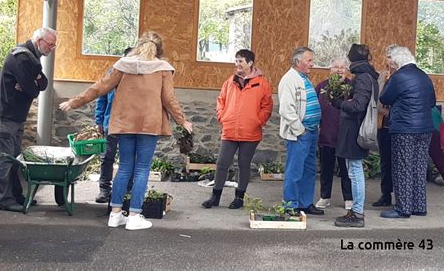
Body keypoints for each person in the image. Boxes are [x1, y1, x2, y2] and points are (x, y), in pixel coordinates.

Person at [60, 31, 192, 230]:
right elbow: (168, 99)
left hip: (124, 124)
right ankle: (134, 216)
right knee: (141, 169)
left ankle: (115, 215)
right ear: (159, 49)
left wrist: (74, 102)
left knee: (124, 167)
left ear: (138, 46)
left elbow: (99, 88)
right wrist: (183, 121)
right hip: (148, 125)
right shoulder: (163, 69)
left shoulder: (122, 65)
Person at [0, 27, 56, 212]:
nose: (52, 48)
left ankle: (18, 196)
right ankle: (5, 200)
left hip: (15, 117)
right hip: (4, 117)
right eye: (50, 44)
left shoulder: (32, 59)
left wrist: (34, 80)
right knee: (4, 160)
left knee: (14, 159)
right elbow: (33, 90)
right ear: (39, 41)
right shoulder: (21, 57)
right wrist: (33, 83)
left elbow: (43, 84)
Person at [201, 49, 273, 209]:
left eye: (240, 61)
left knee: (243, 164)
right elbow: (221, 100)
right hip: (230, 129)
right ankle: (215, 196)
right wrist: (222, 117)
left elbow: (267, 106)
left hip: (250, 131)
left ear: (250, 63)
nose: (237, 64)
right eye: (236, 61)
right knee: (222, 163)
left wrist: (258, 121)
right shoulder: (229, 82)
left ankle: (239, 198)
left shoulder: (262, 84)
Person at [379, 46, 435, 218]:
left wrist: (388, 80)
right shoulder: (424, 76)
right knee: (418, 167)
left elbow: (384, 98)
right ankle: (419, 207)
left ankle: (402, 209)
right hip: (425, 128)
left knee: (403, 167)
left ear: (396, 62)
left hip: (404, 128)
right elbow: (432, 101)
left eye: (392, 63)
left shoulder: (399, 77)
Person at [331, 44, 379, 228]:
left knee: (355, 171)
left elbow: (358, 105)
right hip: (356, 127)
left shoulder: (363, 78)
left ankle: (357, 212)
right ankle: (355, 211)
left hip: (355, 129)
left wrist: (338, 103)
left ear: (352, 60)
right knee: (353, 170)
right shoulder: (368, 76)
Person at [278, 47, 324, 215]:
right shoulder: (289, 79)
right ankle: (290, 205)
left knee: (309, 169)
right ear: (298, 62)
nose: (312, 64)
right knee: (295, 170)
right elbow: (286, 109)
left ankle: (305, 203)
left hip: (311, 132)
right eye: (309, 60)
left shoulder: (303, 78)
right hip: (300, 134)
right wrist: (300, 130)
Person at [94, 47, 133, 203]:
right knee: (107, 157)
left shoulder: (139, 77)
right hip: (110, 122)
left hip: (131, 125)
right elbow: (101, 97)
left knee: (128, 158)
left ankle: (127, 191)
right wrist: (99, 120)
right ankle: (104, 190)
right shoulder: (112, 73)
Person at [314, 58, 353, 211]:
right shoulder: (322, 86)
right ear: (330, 70)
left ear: (346, 70)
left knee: (346, 170)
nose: (339, 70)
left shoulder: (352, 87)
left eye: (342, 67)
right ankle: (325, 197)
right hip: (326, 134)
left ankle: (349, 198)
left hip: (345, 136)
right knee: (326, 169)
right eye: (336, 67)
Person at [372, 44, 398, 207]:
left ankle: (401, 196)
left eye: (393, 57)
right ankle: (385, 194)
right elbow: (378, 96)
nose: (390, 60)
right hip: (383, 124)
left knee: (399, 162)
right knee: (385, 161)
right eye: (388, 57)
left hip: (398, 124)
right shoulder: (383, 75)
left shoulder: (403, 76)